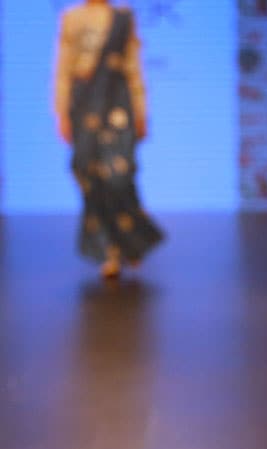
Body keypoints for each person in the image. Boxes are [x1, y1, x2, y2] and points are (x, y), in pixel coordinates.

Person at [54, 0, 163, 279]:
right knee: (87, 170)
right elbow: (64, 68)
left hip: (117, 99)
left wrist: (141, 110)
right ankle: (110, 249)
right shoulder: (72, 18)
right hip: (86, 100)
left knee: (120, 172)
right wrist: (61, 112)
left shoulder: (123, 18)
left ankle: (131, 239)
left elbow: (133, 67)